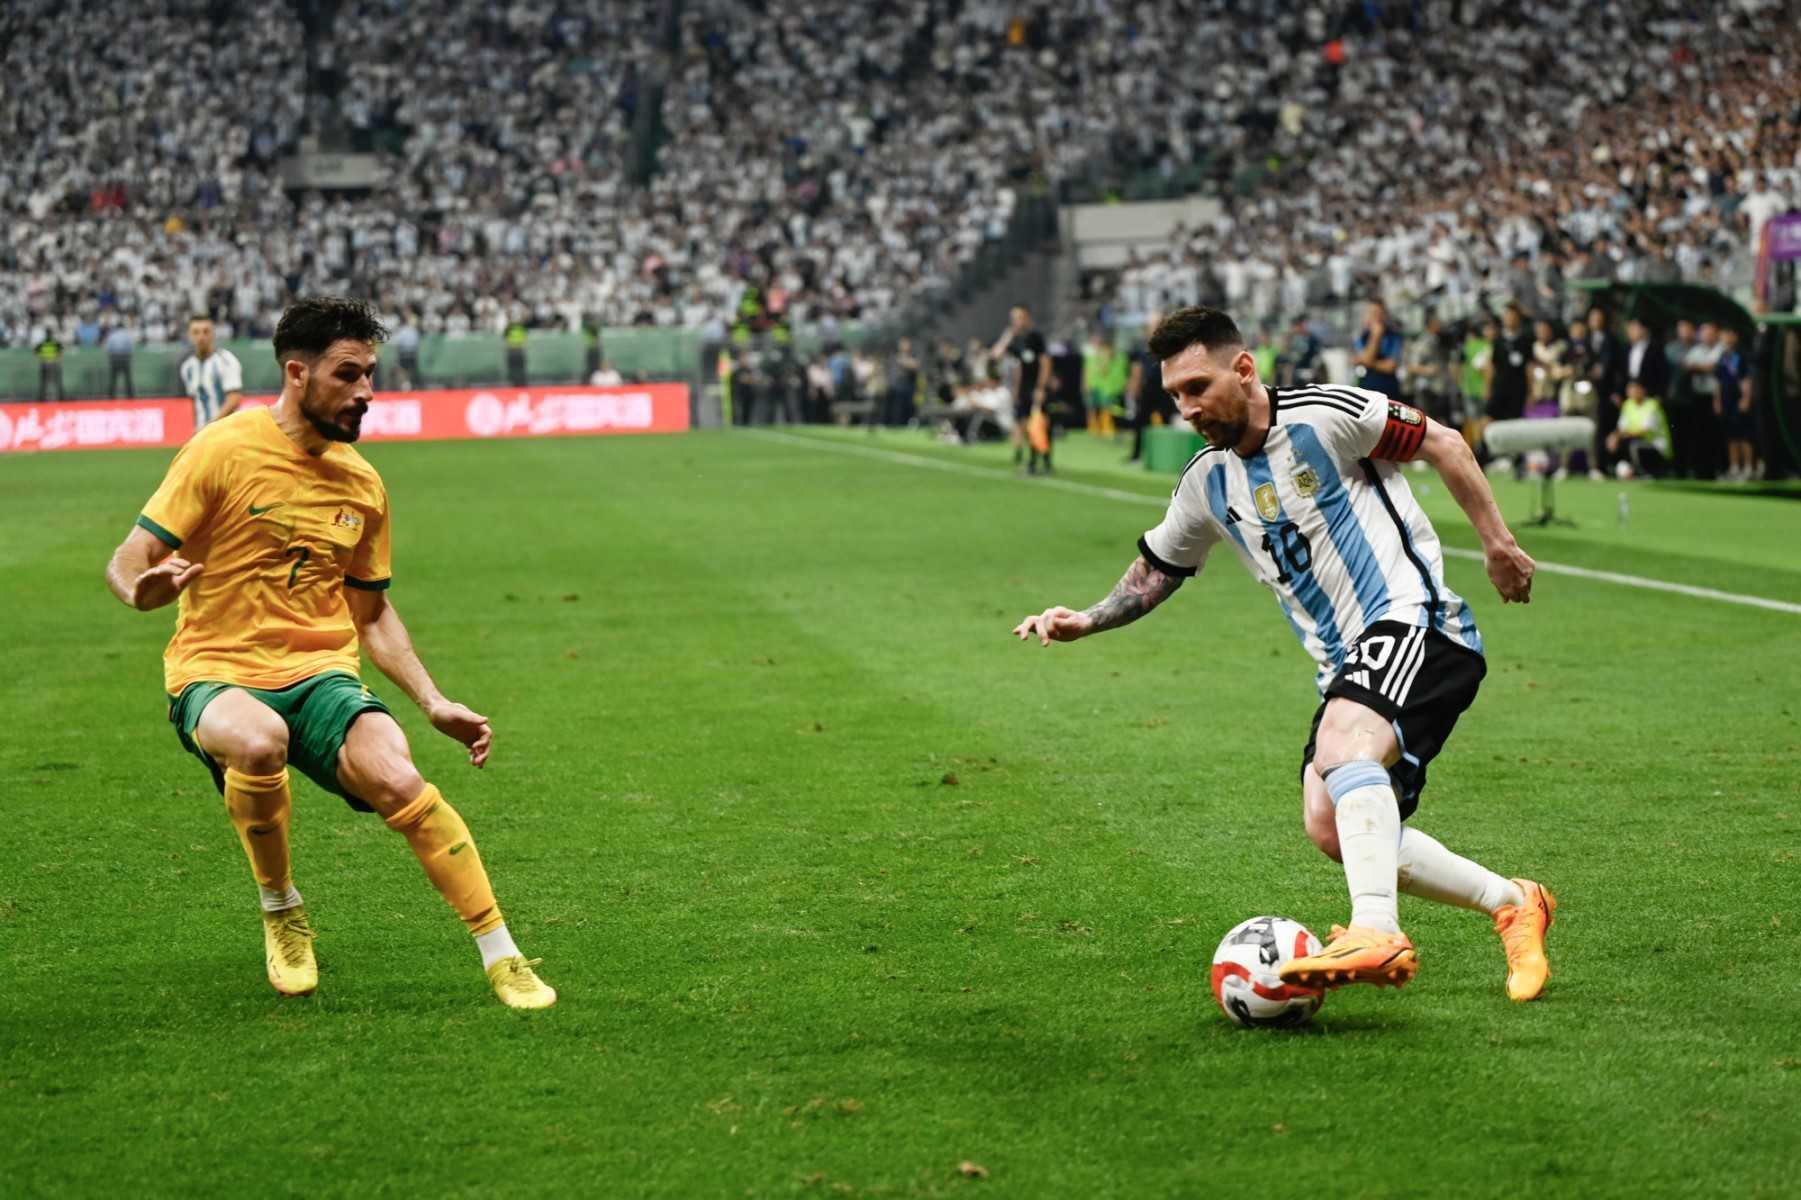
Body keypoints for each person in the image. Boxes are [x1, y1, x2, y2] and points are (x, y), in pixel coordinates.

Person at [1012, 307, 1554, 1002]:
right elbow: (1158, 569)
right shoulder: (1206, 482)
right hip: (1345, 665)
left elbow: (1443, 442)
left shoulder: (1328, 418)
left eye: (1198, 386)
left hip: (1414, 622)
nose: (1186, 407)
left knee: (1342, 751)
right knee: (1329, 824)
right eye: (1175, 395)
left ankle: (1376, 930)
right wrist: (1085, 620)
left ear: (1243, 369)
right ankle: (1512, 902)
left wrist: (1496, 543)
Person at [102, 296, 555, 1010]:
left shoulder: (362, 484)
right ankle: (281, 908)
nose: (365, 393)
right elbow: (130, 557)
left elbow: (369, 613)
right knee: (258, 743)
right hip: (215, 671)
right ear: (296, 372)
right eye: (348, 375)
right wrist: (142, 591)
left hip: (319, 672)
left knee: (399, 776)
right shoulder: (222, 448)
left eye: (371, 374)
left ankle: (502, 953)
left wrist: (433, 700)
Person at [991, 306, 1052, 474]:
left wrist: (1041, 387)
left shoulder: (1035, 337)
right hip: (1024, 389)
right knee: (1025, 424)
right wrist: (1007, 336)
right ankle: (1034, 461)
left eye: (1018, 317)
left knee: (1039, 423)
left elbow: (1045, 363)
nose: (1015, 321)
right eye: (1013, 318)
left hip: (1036, 387)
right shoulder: (1016, 340)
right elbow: (997, 356)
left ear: (1027, 318)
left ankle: (1044, 462)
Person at [179, 315, 244, 429]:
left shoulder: (226, 360)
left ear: (213, 334)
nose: (201, 337)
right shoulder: (187, 367)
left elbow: (234, 398)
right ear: (189, 336)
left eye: (206, 331)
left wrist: (212, 426)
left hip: (226, 430)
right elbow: (195, 401)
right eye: (196, 332)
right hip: (202, 432)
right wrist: (197, 428)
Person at [1715, 327, 1758, 481]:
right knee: (1730, 436)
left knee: (1744, 436)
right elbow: (1719, 381)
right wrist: (1718, 400)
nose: (1725, 338)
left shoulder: (1742, 355)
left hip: (1739, 400)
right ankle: (1734, 467)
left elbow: (1747, 379)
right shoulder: (1722, 356)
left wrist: (1746, 399)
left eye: (1728, 334)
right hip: (1726, 400)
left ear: (1735, 336)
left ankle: (1748, 467)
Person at [1607, 378, 1671, 479]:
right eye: (1630, 389)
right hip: (1638, 442)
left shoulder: (1652, 405)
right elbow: (1621, 427)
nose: (1632, 392)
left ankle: (1647, 472)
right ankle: (1625, 470)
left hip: (1657, 448)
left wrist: (1622, 436)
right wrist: (1614, 437)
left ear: (1643, 390)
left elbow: (1643, 432)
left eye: (1635, 389)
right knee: (1614, 441)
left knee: (1634, 445)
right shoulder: (1628, 404)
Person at [1350, 299, 1402, 398]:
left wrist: (1367, 362)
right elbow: (1358, 359)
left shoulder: (1394, 336)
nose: (1377, 317)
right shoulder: (1361, 337)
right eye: (1373, 313)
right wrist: (1375, 336)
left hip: (1388, 390)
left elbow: (1390, 366)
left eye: (1380, 313)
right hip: (1365, 389)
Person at [105, 317, 137, 398]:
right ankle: (130, 396)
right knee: (128, 379)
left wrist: (112, 356)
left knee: (113, 378)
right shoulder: (127, 335)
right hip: (125, 358)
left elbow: (108, 348)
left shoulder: (112, 335)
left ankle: (111, 396)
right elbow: (131, 348)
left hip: (114, 358)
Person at [36, 330, 64, 401]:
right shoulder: (43, 343)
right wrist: (44, 359)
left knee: (56, 382)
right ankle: (42, 397)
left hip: (53, 365)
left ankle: (60, 396)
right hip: (46, 365)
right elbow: (37, 352)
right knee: (44, 383)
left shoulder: (54, 343)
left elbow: (60, 352)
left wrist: (54, 360)